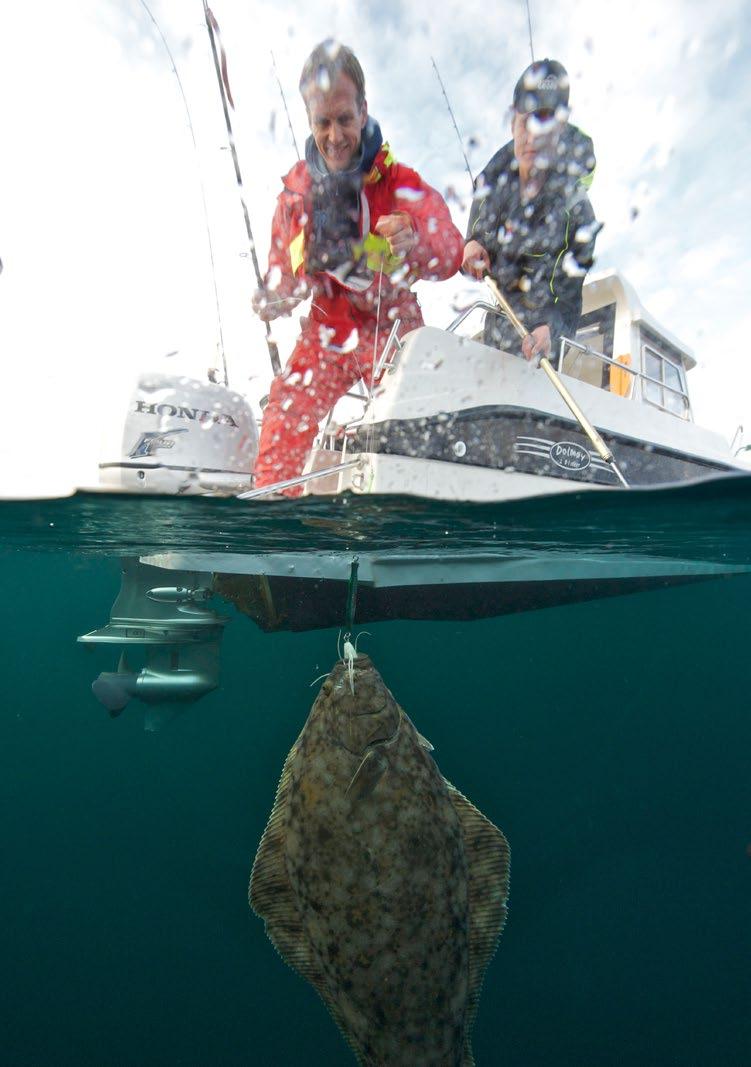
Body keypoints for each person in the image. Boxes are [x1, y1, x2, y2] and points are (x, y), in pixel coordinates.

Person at [251, 40, 464, 494]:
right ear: (310, 120)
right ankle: (271, 526)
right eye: (322, 122)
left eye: (344, 119)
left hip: (393, 329)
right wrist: (273, 297)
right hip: (325, 330)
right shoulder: (294, 197)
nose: (334, 136)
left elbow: (451, 251)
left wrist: (415, 238)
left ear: (363, 111)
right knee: (284, 412)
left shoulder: (399, 181)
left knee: (416, 433)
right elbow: (284, 279)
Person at [463, 58, 600, 363]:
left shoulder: (579, 216)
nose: (533, 137)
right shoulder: (492, 183)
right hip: (498, 324)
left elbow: (569, 297)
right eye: (526, 122)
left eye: (546, 124)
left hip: (542, 345)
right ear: (513, 123)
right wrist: (473, 243)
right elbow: (476, 235)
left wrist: (551, 329)